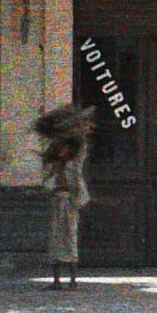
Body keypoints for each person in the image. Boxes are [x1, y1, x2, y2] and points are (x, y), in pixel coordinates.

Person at [34, 103, 95, 290]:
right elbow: (48, 182)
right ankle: (56, 280)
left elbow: (82, 147)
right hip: (57, 201)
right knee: (54, 238)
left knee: (70, 237)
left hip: (70, 201)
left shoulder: (75, 161)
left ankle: (73, 279)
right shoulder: (54, 164)